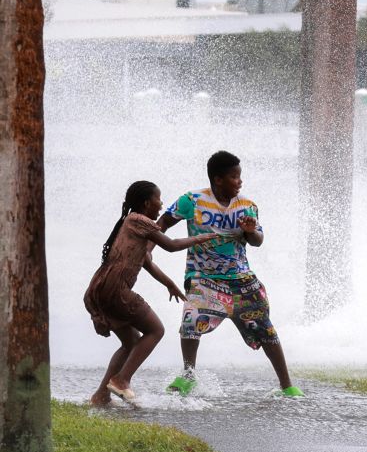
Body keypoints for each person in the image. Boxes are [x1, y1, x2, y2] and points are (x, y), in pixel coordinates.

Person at [159, 150, 303, 397]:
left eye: (240, 177)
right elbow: (161, 225)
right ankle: (188, 376)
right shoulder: (191, 201)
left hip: (241, 280)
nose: (240, 181)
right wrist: (146, 249)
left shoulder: (247, 206)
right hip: (203, 277)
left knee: (266, 330)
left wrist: (249, 231)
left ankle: (286, 385)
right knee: (191, 319)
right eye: (235, 177)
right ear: (218, 179)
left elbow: (258, 241)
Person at [85, 180, 219, 406]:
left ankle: (101, 395)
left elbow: (147, 262)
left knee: (130, 342)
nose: (161, 203)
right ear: (147, 203)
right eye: (158, 199)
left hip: (98, 289)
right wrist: (199, 238)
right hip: (116, 289)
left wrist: (169, 284)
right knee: (156, 330)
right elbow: (171, 244)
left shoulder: (130, 224)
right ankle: (121, 380)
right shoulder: (140, 220)